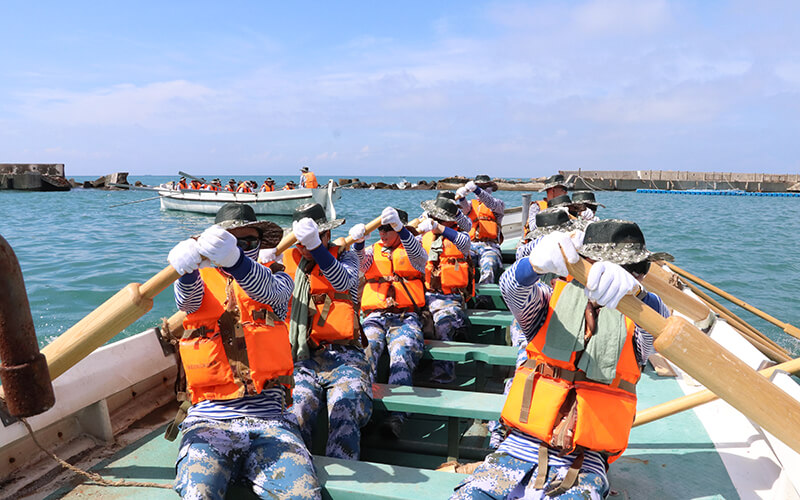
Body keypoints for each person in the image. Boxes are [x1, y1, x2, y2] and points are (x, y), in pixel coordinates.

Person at [452, 220, 670, 499]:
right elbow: (511, 289)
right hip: (518, 446)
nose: (630, 274)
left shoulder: (640, 318)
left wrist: (639, 295)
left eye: (635, 270)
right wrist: (533, 266)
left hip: (584, 461)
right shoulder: (547, 301)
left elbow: (662, 326)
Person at [167, 203, 320, 500]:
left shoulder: (278, 279)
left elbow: (271, 294)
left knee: (304, 495)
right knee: (197, 494)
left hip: (272, 421)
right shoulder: (198, 279)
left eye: (248, 242)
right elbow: (187, 302)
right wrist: (184, 272)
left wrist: (236, 261)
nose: (241, 248)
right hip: (208, 420)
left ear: (260, 245)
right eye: (230, 241)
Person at [282, 203, 373, 460]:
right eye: (300, 242)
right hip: (301, 358)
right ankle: (298, 474)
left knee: (345, 409)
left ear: (327, 236)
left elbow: (344, 280)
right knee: (295, 412)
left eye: (312, 239)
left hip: (345, 356)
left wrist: (317, 249)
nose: (304, 248)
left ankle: (344, 474)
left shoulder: (347, 257)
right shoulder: (283, 264)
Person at [350, 207, 427, 438]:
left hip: (405, 317)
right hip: (375, 317)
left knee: (401, 352)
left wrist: (401, 229)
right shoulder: (374, 251)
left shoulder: (414, 249)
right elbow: (359, 265)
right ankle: (365, 411)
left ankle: (397, 416)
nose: (383, 233)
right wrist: (359, 244)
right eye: (380, 229)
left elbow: (419, 257)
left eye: (388, 228)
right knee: (368, 349)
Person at [417, 196, 473, 384]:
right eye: (435, 217)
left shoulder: (462, 238)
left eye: (440, 218)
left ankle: (444, 372)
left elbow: (461, 239)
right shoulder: (423, 237)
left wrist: (438, 227)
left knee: (443, 323)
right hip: (425, 295)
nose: (436, 219)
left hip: (451, 298)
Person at [457, 175, 505, 288]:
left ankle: (484, 298)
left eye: (484, 187)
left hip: (490, 246)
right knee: (461, 262)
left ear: (490, 189)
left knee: (489, 264)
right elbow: (463, 209)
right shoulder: (470, 205)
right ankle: (464, 292)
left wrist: (477, 190)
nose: (481, 190)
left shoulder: (498, 204)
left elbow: (490, 203)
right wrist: (461, 196)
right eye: (479, 187)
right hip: (471, 245)